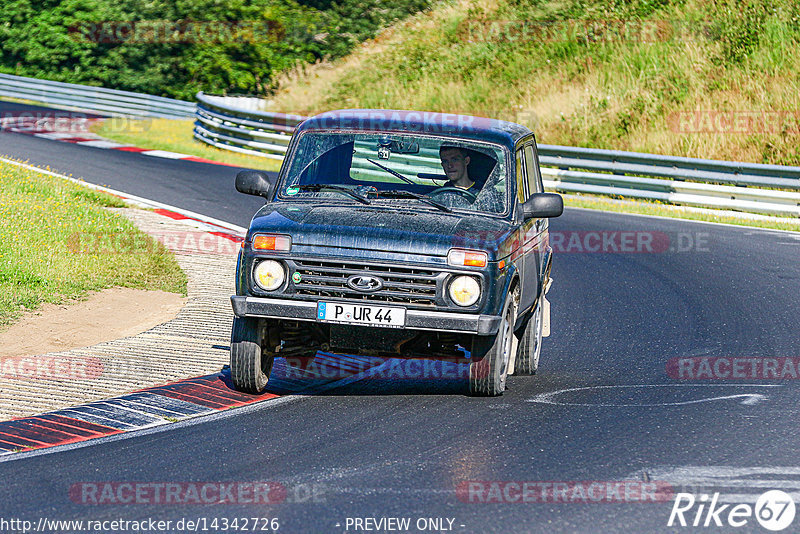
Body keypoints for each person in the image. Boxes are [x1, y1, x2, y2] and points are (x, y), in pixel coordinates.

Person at [437, 145, 504, 213]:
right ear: (442, 164)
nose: (450, 165)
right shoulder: (440, 195)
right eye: (445, 161)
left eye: (454, 160)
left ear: (466, 161)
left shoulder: (485, 192)